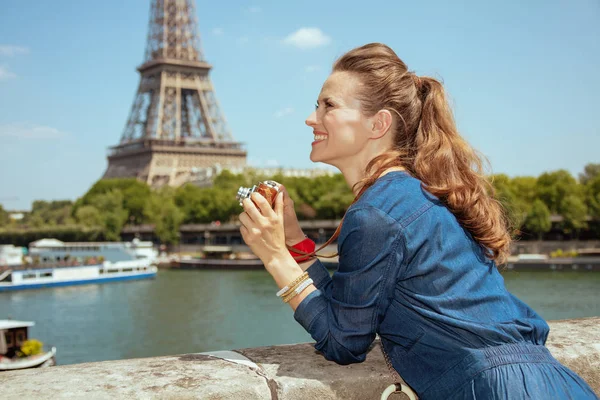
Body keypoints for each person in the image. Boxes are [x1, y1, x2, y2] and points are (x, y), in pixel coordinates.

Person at [237, 43, 597, 399]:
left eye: (328, 105)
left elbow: (343, 341)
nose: (311, 118)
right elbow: (348, 312)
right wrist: (294, 241)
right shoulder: (418, 193)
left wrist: (274, 257)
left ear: (378, 123)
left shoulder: (375, 213)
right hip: (548, 383)